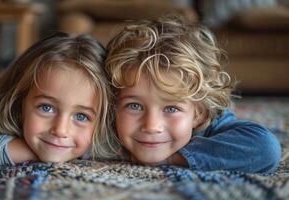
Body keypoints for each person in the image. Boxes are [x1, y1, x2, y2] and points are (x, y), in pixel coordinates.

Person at [103, 15, 281, 173]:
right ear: (114, 104)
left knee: (222, 103)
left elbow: (266, 149)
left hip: (212, 106)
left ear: (198, 114)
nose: (151, 126)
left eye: (171, 108)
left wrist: (173, 159)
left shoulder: (212, 123)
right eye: (134, 105)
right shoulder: (108, 123)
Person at [0, 32, 112, 166]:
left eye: (81, 116)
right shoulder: (8, 119)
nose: (61, 130)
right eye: (46, 108)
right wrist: (36, 150)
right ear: (19, 102)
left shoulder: (102, 139)